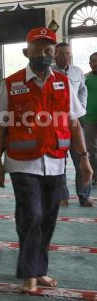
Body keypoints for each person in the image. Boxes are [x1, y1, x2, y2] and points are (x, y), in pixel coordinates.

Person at [0, 27, 93, 293]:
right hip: (22, 162)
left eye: (48, 50)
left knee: (47, 217)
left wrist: (83, 158)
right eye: (37, 50)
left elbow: (73, 124)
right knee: (31, 215)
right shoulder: (11, 83)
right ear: (27, 52)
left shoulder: (64, 83)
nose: (44, 55)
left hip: (56, 162)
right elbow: (1, 125)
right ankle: (29, 275)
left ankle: (39, 269)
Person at [53, 42, 92, 206]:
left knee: (81, 158)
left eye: (68, 53)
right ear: (55, 55)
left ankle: (84, 196)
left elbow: (83, 90)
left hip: (76, 122)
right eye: (61, 53)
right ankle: (63, 196)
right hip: (57, 123)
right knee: (59, 162)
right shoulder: (49, 72)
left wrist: (81, 108)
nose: (66, 56)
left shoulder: (77, 72)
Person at [84, 51, 97, 186]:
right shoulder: (85, 78)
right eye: (94, 61)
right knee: (91, 150)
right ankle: (94, 175)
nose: (96, 64)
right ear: (90, 64)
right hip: (89, 119)